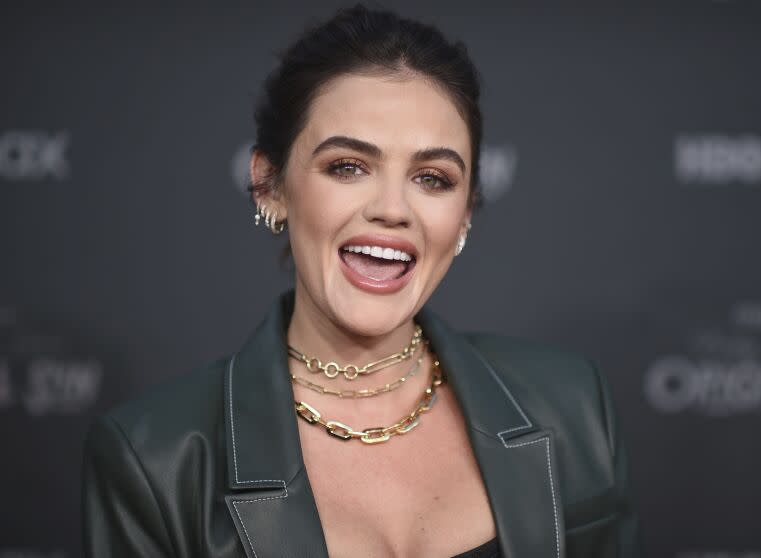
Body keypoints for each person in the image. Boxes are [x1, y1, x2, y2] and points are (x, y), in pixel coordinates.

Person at [81, 4, 642, 557]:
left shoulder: (572, 408)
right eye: (348, 166)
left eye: (432, 178)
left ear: (466, 212)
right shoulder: (155, 460)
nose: (393, 210)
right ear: (269, 186)